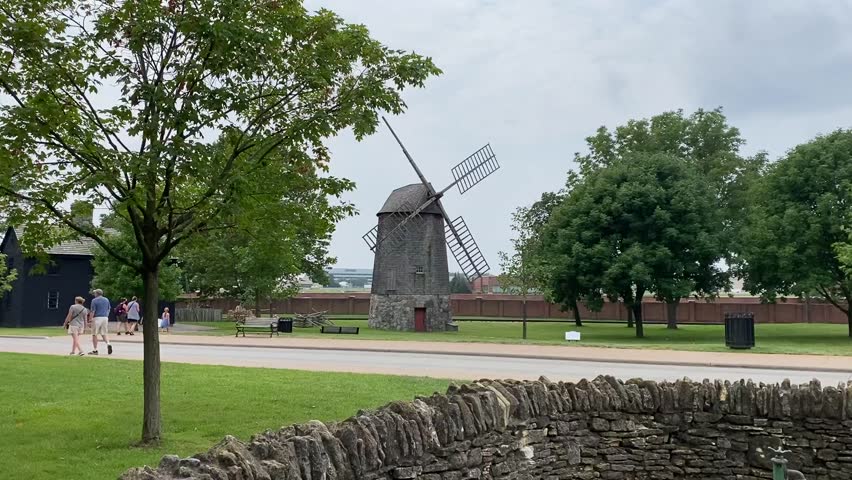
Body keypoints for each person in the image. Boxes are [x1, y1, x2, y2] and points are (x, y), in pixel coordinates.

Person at [88, 289, 113, 355]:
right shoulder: (106, 299)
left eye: (94, 293)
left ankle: (95, 350)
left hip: (97, 318)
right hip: (105, 317)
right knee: (104, 333)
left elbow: (93, 311)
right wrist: (106, 315)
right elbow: (109, 309)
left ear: (96, 294)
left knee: (94, 334)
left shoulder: (94, 300)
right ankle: (108, 343)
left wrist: (90, 320)